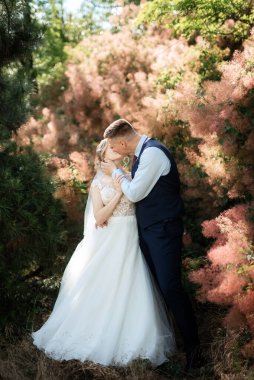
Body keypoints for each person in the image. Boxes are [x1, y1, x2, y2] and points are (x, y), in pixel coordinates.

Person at [31, 138, 176, 367]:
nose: (116, 148)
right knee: (106, 287)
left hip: (131, 239)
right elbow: (99, 218)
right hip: (110, 241)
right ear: (102, 154)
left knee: (132, 285)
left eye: (117, 146)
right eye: (111, 147)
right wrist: (118, 194)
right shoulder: (98, 183)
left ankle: (138, 340)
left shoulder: (129, 175)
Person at [101, 119, 202, 371]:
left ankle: (195, 351)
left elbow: (135, 193)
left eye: (115, 146)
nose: (116, 152)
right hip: (149, 231)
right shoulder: (139, 155)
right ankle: (172, 344)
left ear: (123, 142)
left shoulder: (153, 153)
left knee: (170, 287)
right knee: (157, 289)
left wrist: (115, 172)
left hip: (164, 231)